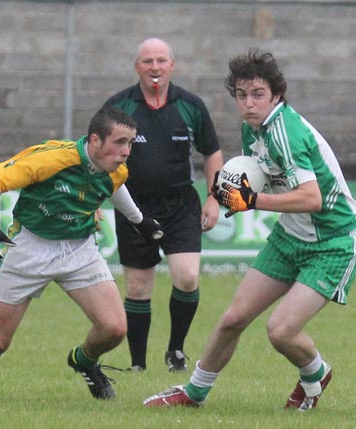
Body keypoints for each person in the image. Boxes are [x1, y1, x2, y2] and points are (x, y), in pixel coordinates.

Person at [144, 48, 356, 410]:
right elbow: (263, 183)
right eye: (241, 95)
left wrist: (252, 201)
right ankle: (194, 393)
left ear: (276, 95)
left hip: (332, 241)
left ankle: (316, 372)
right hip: (291, 236)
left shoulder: (285, 134)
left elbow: (313, 199)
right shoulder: (252, 129)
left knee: (280, 331)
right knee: (233, 318)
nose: (248, 103)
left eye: (258, 94)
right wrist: (237, 197)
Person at [0, 106, 163, 401]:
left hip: (78, 249)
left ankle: (84, 360)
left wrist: (139, 221)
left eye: (131, 143)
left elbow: (115, 186)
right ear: (95, 140)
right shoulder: (53, 158)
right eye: (120, 142)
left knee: (114, 328)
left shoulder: (115, 167)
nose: (126, 151)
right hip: (29, 247)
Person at [104, 38, 223, 372]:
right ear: (136, 67)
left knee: (187, 278)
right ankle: (138, 365)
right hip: (133, 207)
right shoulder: (118, 107)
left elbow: (212, 152)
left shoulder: (190, 106)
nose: (154, 68)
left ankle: (176, 350)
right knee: (138, 287)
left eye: (160, 61)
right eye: (147, 62)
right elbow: (97, 153)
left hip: (180, 204)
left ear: (172, 65)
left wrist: (215, 197)